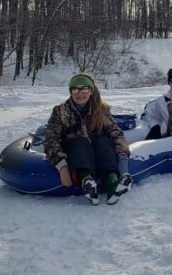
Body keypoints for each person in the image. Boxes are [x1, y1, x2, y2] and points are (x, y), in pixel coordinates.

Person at [44, 74, 132, 205]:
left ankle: (113, 183)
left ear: (91, 91)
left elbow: (116, 133)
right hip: (75, 150)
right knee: (79, 142)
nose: (80, 93)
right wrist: (61, 166)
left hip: (98, 149)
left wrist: (123, 160)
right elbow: (51, 139)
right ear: (71, 91)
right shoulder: (61, 111)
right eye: (75, 89)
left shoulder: (101, 110)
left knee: (103, 141)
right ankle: (87, 181)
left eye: (84, 89)